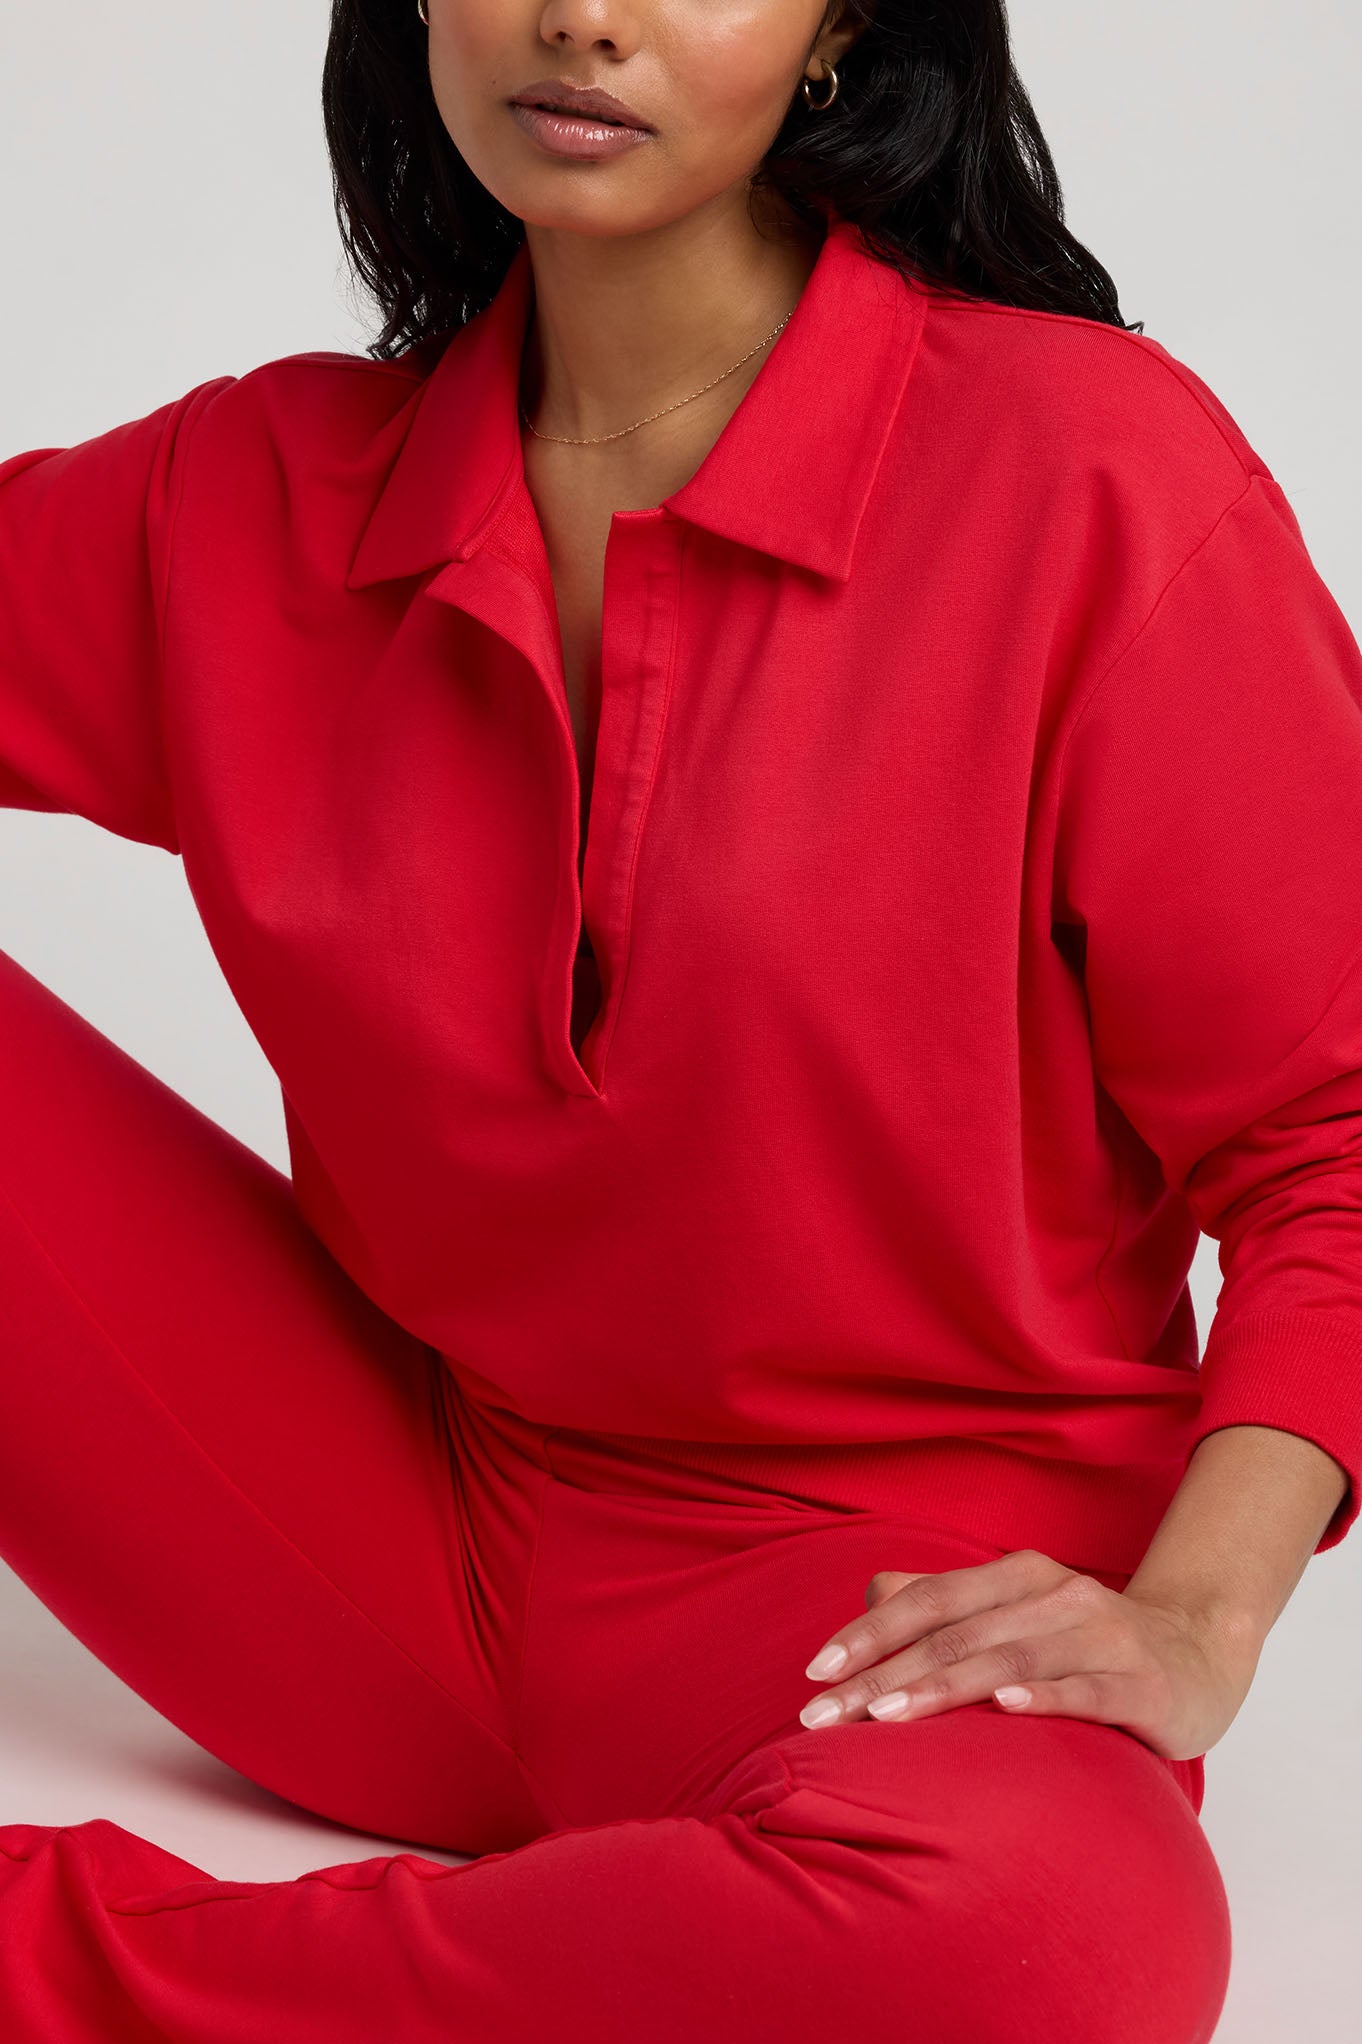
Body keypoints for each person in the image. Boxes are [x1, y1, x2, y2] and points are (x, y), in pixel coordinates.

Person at [2, 0, 1359, 2036]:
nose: (583, 13)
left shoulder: (1085, 476)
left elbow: (1335, 1134)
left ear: (839, 30)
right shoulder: (257, 493)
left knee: (1053, 1945)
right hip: (366, 1545)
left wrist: (1192, 1620)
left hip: (892, 1615)